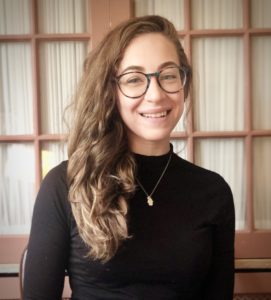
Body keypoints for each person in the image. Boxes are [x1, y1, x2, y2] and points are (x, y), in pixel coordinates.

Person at [24, 15, 235, 299]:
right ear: (110, 91)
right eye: (134, 79)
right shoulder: (65, 185)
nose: (156, 94)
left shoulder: (214, 191)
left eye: (169, 75)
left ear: (184, 83)